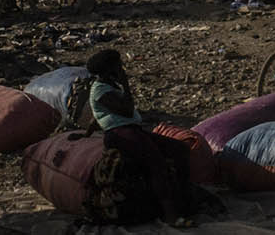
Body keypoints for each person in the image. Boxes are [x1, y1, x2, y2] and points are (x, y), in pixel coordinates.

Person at [84, 50, 196, 225]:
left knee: (179, 149)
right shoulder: (100, 89)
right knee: (156, 163)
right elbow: (126, 111)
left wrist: (86, 135)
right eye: (118, 66)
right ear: (108, 69)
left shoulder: (109, 87)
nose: (121, 68)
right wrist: (126, 85)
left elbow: (96, 116)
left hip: (133, 131)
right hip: (120, 134)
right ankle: (170, 215)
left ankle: (185, 200)